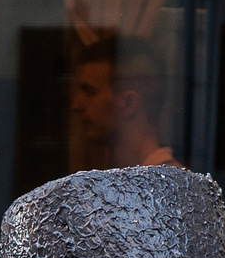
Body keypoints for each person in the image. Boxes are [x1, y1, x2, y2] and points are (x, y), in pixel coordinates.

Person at [68, 36, 177, 170]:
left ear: (128, 103)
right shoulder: (140, 177)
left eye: (90, 92)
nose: (76, 105)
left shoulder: (169, 181)